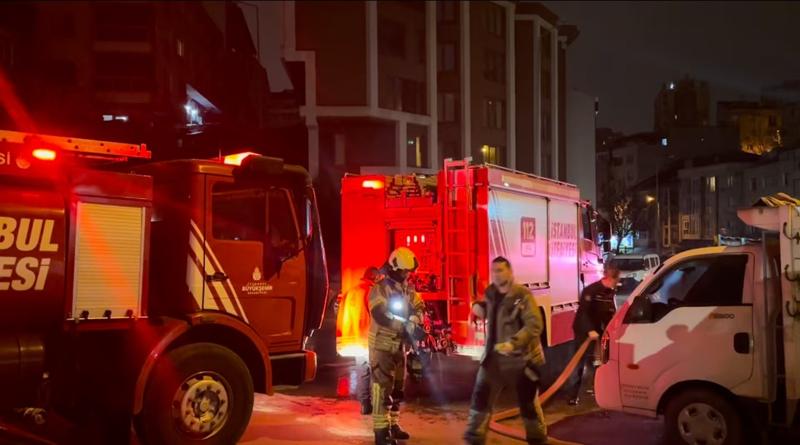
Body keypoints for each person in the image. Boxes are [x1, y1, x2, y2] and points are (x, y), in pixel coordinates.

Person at [464, 257, 548, 445]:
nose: (496, 274)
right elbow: (487, 307)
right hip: (493, 359)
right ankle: (474, 439)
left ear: (510, 272)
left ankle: (538, 440)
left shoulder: (522, 295)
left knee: (528, 406)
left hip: (521, 361)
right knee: (480, 401)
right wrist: (477, 308)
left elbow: (534, 325)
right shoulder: (491, 293)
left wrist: (513, 343)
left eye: (501, 270)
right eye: (494, 271)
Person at [368, 247, 425, 445]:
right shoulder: (380, 288)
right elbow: (380, 314)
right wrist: (405, 325)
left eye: (408, 271)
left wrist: (416, 318)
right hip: (382, 346)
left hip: (400, 346)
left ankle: (393, 425)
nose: (407, 275)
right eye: (404, 271)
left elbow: (419, 305)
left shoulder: (407, 288)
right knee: (381, 389)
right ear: (394, 268)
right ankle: (381, 432)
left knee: (397, 389)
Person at [568, 261, 620, 406]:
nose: (617, 284)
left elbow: (610, 313)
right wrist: (589, 329)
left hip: (598, 331)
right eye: (616, 280)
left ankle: (598, 390)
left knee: (599, 361)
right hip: (584, 331)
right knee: (579, 362)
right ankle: (572, 395)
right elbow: (583, 313)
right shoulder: (590, 291)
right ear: (610, 278)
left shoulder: (610, 292)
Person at [337, 267, 383, 415]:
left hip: (352, 340)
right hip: (368, 340)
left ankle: (364, 405)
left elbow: (340, 314)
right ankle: (377, 405)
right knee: (377, 373)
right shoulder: (372, 292)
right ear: (375, 278)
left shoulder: (350, 292)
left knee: (363, 372)